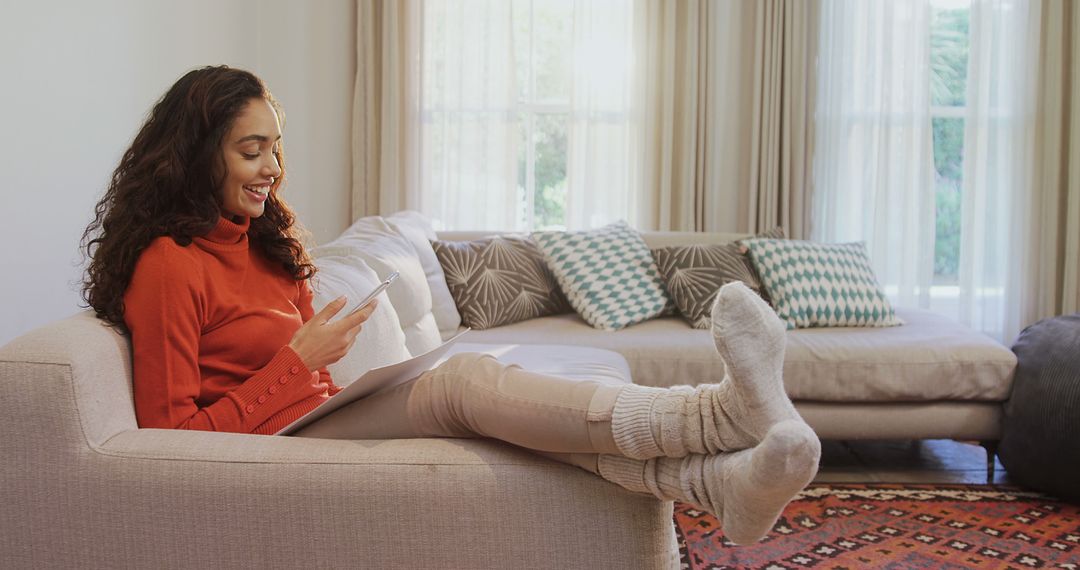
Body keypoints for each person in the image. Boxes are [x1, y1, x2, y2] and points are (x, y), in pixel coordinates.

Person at [81, 65, 820, 545]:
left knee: (477, 381)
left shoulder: (262, 243)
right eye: (252, 151)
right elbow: (171, 435)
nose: (273, 168)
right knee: (462, 387)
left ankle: (714, 481)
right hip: (263, 455)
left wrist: (317, 376)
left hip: (313, 420)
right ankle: (715, 417)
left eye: (276, 147)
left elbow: (303, 385)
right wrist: (293, 362)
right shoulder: (168, 267)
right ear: (197, 152)